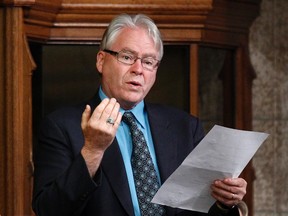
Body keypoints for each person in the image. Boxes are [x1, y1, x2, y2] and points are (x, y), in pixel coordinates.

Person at [32, 13, 247, 216]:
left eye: (148, 61)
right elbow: (48, 209)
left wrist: (223, 201)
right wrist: (92, 151)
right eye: (127, 57)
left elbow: (200, 211)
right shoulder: (62, 126)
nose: (138, 69)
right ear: (101, 61)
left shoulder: (185, 126)